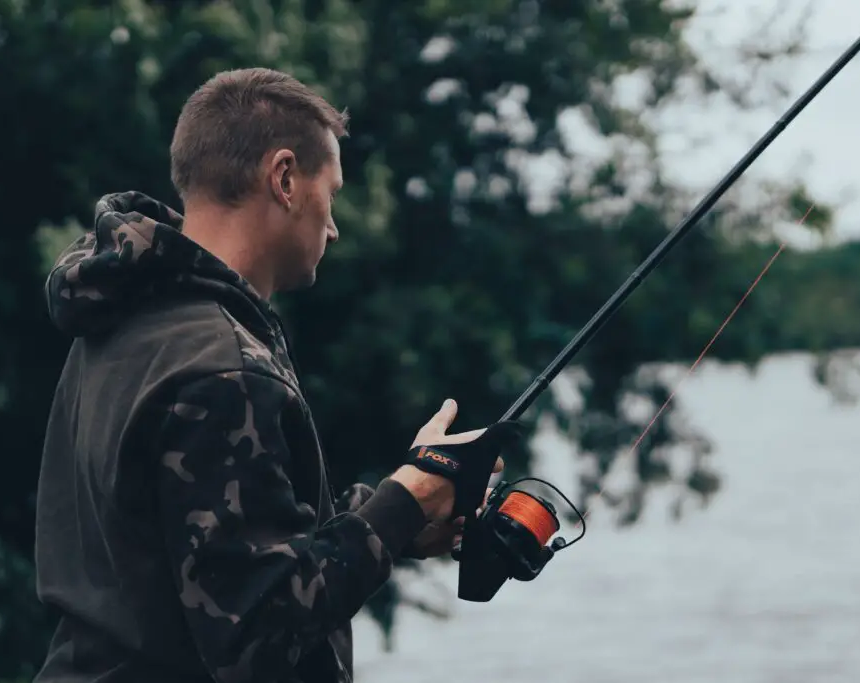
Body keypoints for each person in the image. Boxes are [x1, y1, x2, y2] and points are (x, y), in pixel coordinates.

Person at [32, 67, 509, 683]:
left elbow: (208, 553)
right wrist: (407, 501)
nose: (333, 225)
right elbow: (260, 633)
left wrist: (397, 519)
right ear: (284, 178)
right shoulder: (223, 366)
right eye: (330, 193)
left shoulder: (125, 316)